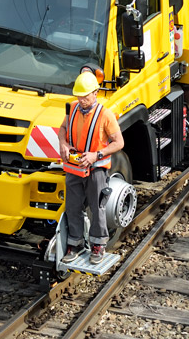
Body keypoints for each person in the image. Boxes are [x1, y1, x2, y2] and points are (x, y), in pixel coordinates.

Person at [58, 71, 124, 264]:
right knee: (73, 207)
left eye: (85, 96)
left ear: (95, 93)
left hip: (96, 170)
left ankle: (98, 244)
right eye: (79, 96)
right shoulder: (72, 109)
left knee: (97, 207)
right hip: (74, 169)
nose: (82, 100)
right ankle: (76, 243)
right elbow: (62, 129)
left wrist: (97, 155)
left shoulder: (105, 115)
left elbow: (119, 142)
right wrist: (63, 143)